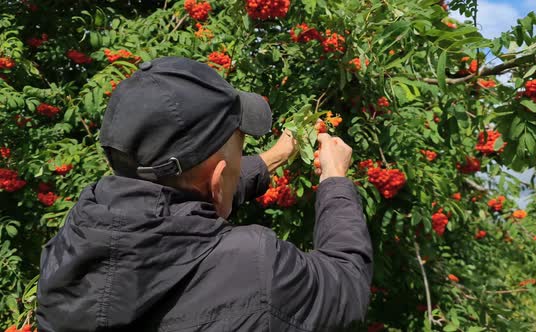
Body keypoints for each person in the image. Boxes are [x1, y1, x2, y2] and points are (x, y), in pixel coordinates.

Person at [36, 56, 373, 331]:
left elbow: (179, 201)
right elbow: (347, 282)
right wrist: (335, 179)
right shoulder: (253, 269)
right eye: (240, 155)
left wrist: (275, 157)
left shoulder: (77, 235)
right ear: (217, 179)